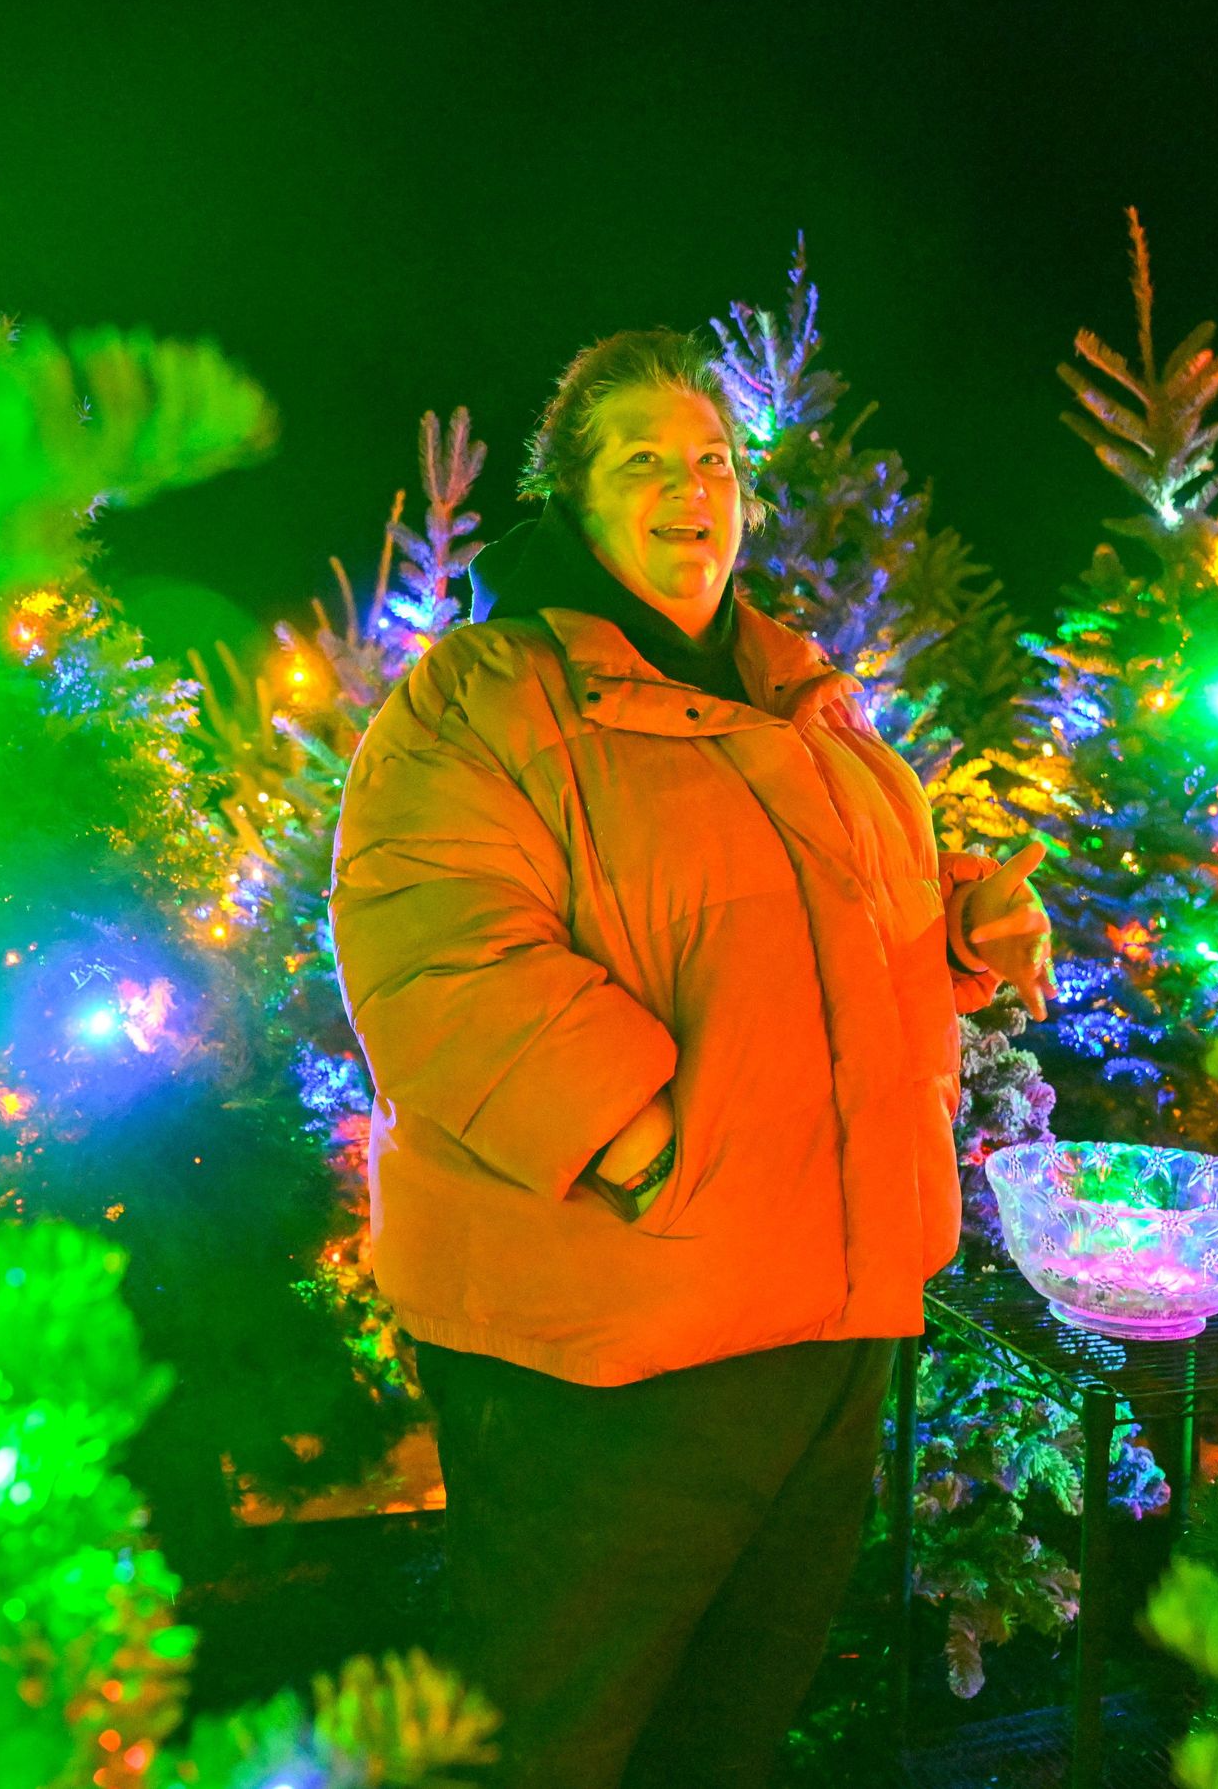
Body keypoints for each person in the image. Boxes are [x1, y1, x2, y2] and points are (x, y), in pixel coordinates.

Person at [329, 327, 1054, 1787]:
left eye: (714, 461)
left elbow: (817, 927)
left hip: (829, 1322)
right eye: (644, 461)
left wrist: (961, 926)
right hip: (618, 1337)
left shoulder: (807, 710)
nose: (691, 490)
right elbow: (439, 951)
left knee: (727, 1730)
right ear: (571, 500)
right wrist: (649, 1144)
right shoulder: (483, 698)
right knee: (553, 1736)